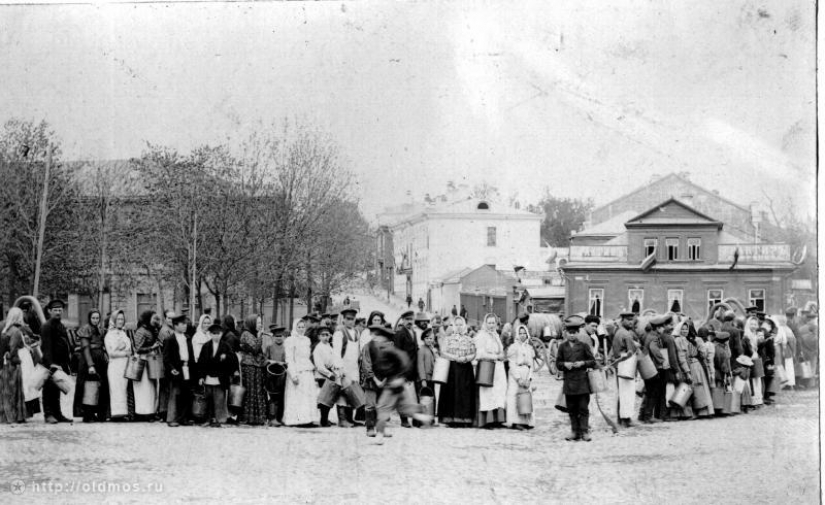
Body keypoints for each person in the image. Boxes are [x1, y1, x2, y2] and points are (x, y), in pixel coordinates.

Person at [370, 326, 434, 445]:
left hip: (393, 385)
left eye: (378, 337)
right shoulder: (387, 350)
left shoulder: (388, 351)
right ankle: (423, 417)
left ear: (385, 339)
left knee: (382, 409)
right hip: (398, 384)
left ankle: (379, 435)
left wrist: (399, 377)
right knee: (405, 408)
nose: (376, 339)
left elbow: (403, 362)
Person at [556, 315, 596, 441]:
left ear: (578, 333)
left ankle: (584, 432)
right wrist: (565, 365)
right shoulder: (562, 347)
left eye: (574, 333)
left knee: (583, 408)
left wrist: (583, 363)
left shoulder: (584, 346)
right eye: (570, 333)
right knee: (572, 409)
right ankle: (574, 431)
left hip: (582, 382)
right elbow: (557, 364)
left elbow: (592, 361)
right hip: (569, 383)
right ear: (566, 333)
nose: (572, 335)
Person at [197, 322, 239, 427]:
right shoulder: (206, 346)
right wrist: (201, 376)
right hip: (208, 376)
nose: (216, 335)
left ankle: (219, 419)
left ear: (221, 334)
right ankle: (207, 419)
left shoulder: (226, 346)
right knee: (207, 399)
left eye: (218, 333)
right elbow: (201, 362)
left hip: (220, 377)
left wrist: (226, 357)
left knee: (219, 399)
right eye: (214, 333)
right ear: (210, 334)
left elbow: (234, 359)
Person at [437, 316, 476, 427]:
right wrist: (455, 357)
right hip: (452, 369)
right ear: (453, 326)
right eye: (456, 324)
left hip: (465, 369)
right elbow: (443, 352)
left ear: (464, 326)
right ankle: (451, 418)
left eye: (460, 324)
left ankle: (465, 418)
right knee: (452, 392)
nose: (459, 327)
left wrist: (466, 358)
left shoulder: (469, 339)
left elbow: (474, 353)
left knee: (465, 392)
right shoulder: (448, 339)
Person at [73, 309, 110, 423]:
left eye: (97, 318)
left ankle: (99, 413)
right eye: (93, 318)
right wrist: (90, 365)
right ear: (89, 318)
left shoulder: (99, 329)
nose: (95, 320)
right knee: (89, 388)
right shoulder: (85, 329)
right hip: (89, 362)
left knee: (100, 387)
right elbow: (85, 348)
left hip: (100, 362)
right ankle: (88, 414)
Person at [40, 299, 73, 424]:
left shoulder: (61, 325)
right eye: (55, 310)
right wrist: (50, 364)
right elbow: (46, 347)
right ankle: (48, 414)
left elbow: (64, 344)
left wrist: (66, 363)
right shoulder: (46, 326)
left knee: (57, 388)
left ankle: (58, 414)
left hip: (60, 362)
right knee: (48, 389)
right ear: (49, 311)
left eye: (60, 310)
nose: (58, 312)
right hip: (50, 363)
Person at [283, 318, 318, 426]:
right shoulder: (290, 340)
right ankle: (296, 420)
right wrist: (293, 375)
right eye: (299, 327)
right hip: (297, 371)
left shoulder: (307, 340)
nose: (301, 329)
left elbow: (307, 357)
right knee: (297, 397)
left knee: (307, 397)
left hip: (307, 371)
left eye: (303, 327)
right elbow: (289, 359)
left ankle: (308, 419)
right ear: (295, 327)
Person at [474, 313, 507, 428]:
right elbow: (480, 353)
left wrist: (501, 355)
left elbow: (500, 350)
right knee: (488, 393)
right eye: (489, 323)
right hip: (487, 368)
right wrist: (495, 357)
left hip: (498, 368)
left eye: (493, 323)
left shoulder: (496, 335)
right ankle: (487, 421)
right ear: (485, 323)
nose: (491, 325)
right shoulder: (481, 336)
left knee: (499, 392)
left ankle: (498, 419)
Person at [164, 314, 196, 427]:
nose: (185, 326)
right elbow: (166, 358)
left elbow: (191, 354)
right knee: (175, 393)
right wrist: (171, 369)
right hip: (177, 369)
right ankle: (172, 418)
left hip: (187, 368)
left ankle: (184, 417)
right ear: (175, 326)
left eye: (185, 324)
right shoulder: (170, 339)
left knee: (186, 393)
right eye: (182, 324)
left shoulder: (187, 338)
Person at [332, 308, 361, 428]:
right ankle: (342, 419)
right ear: (343, 319)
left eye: (352, 319)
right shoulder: (339, 333)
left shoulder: (356, 333)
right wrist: (339, 368)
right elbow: (336, 353)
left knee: (352, 392)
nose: (350, 321)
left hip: (353, 367)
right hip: (343, 367)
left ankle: (350, 418)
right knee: (342, 393)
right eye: (348, 319)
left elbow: (357, 351)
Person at [505, 324, 535, 430]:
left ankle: (526, 421)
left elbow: (531, 365)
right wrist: (518, 378)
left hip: (526, 373)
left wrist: (529, 378)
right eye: (520, 333)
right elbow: (512, 364)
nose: (522, 335)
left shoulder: (529, 348)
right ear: (517, 335)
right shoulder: (513, 348)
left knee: (526, 396)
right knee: (514, 396)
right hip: (516, 374)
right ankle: (515, 421)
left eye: (524, 333)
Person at [0, 308, 28, 423]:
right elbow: (14, 348)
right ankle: (14, 416)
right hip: (12, 363)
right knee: (14, 391)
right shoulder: (16, 331)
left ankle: (4, 415)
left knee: (4, 390)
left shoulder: (2, 327)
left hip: (3, 363)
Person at [238, 314, 267, 426]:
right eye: (258, 323)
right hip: (249, 366)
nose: (260, 325)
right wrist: (260, 337)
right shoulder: (246, 334)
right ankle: (247, 418)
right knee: (250, 392)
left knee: (257, 391)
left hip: (257, 366)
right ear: (252, 323)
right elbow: (255, 349)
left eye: (260, 323)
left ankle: (257, 418)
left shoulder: (253, 334)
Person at [105, 310, 132, 421]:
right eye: (118, 319)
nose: (120, 321)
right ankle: (115, 413)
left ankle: (123, 413)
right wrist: (125, 353)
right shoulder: (110, 335)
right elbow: (111, 353)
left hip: (124, 365)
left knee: (123, 388)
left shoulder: (124, 334)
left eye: (122, 319)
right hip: (115, 365)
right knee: (116, 388)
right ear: (114, 320)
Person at [132, 310, 160, 421]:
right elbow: (138, 348)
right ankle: (142, 413)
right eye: (154, 319)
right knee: (143, 388)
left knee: (150, 388)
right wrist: (152, 348)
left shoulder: (152, 330)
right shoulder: (141, 331)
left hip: (150, 361)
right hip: (142, 362)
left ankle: (150, 412)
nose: (156, 321)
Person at [611, 312, 638, 427]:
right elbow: (631, 350)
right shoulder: (626, 334)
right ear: (622, 320)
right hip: (626, 363)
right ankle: (625, 419)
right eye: (628, 320)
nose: (631, 322)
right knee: (627, 392)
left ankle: (620, 418)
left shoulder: (619, 331)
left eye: (632, 319)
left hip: (619, 364)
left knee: (622, 392)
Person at [393, 310, 419, 428]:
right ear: (403, 321)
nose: (409, 322)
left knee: (411, 395)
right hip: (403, 369)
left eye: (411, 319)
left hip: (413, 369)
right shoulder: (400, 334)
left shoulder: (413, 333)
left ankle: (413, 418)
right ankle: (404, 419)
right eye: (407, 320)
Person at [312, 325, 336, 427]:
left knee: (329, 397)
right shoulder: (318, 348)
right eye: (323, 335)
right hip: (323, 375)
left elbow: (333, 359)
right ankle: (323, 420)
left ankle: (326, 418)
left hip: (330, 373)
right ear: (319, 337)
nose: (326, 337)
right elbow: (319, 366)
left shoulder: (329, 346)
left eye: (327, 335)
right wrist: (329, 374)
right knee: (324, 399)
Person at [265, 325, 288, 427]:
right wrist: (272, 361)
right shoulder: (269, 347)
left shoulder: (286, 347)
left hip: (282, 375)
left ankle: (280, 417)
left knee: (282, 397)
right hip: (271, 374)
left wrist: (284, 363)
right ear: (273, 337)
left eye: (281, 336)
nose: (279, 338)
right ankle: (272, 418)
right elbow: (264, 360)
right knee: (273, 397)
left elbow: (289, 360)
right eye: (276, 336)